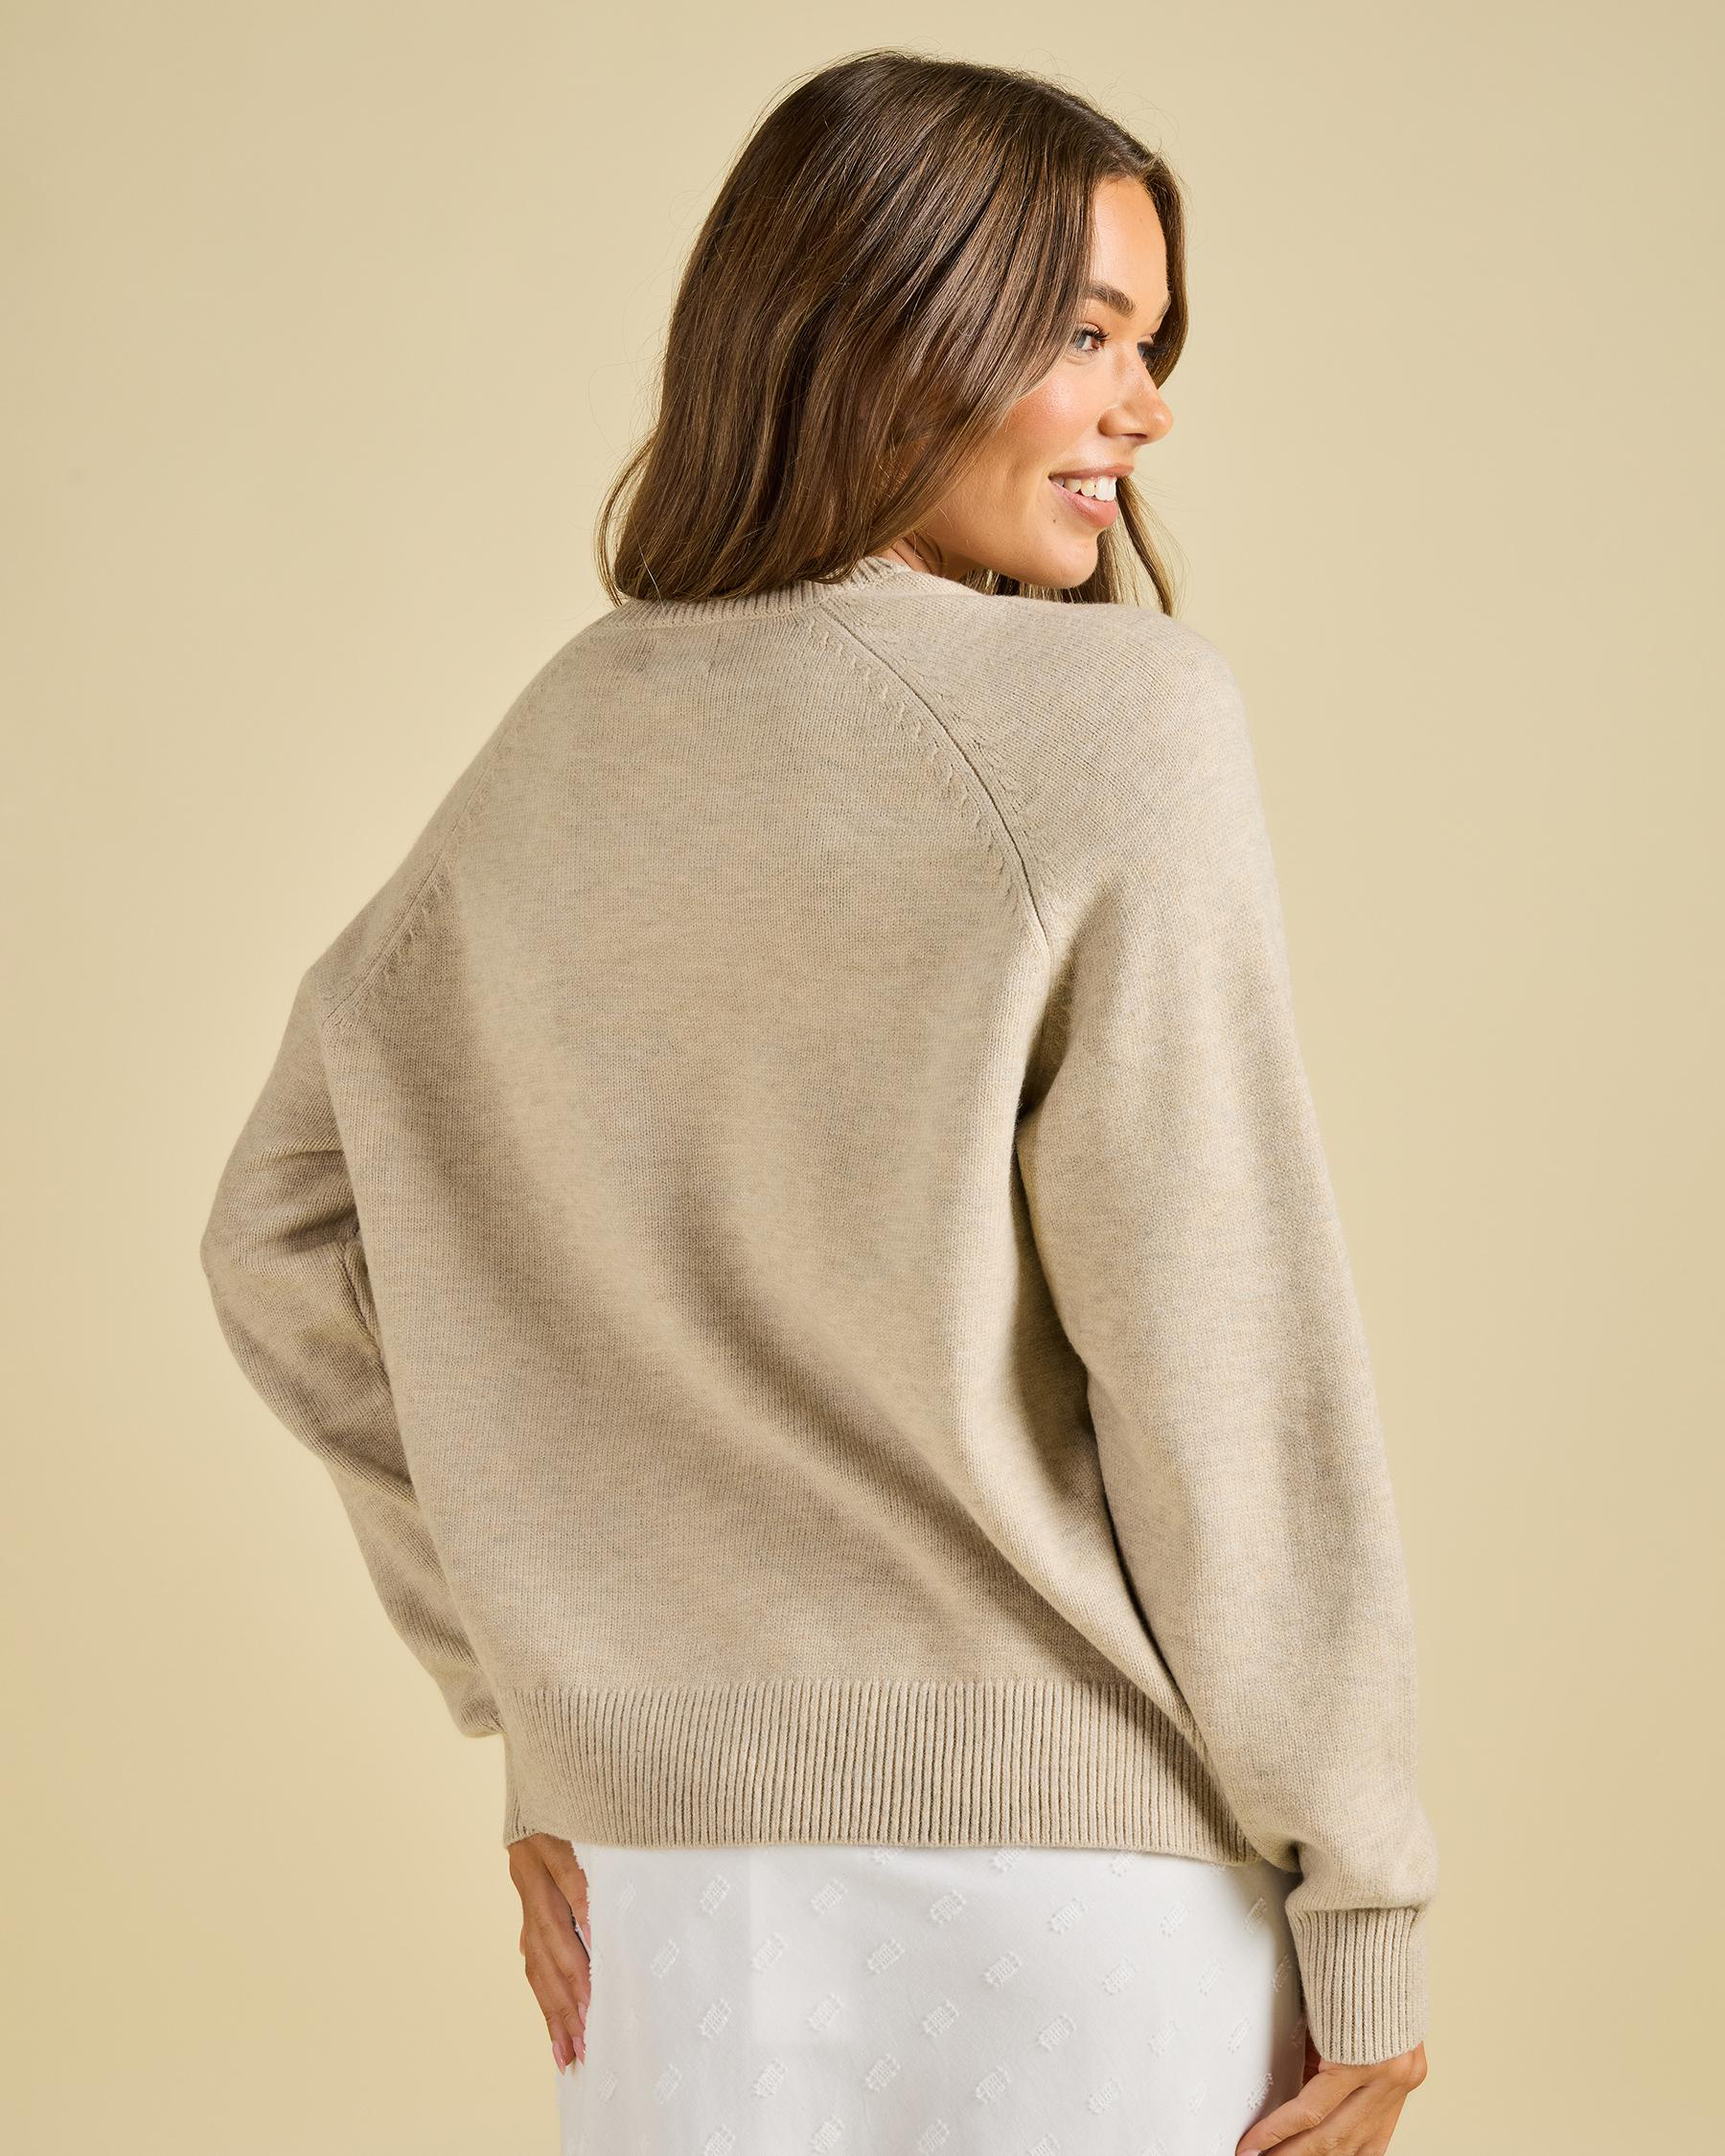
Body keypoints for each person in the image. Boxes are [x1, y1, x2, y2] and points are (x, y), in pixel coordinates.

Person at [197, 48, 1438, 2156]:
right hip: (1082, 1897)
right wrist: (1369, 1894)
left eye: (1151, 346)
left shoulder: (564, 740)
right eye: (1086, 334)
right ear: (893, 324)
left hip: (670, 1920)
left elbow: (276, 1239)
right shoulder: (1124, 723)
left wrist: (543, 1697)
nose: (1145, 407)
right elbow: (1223, 1354)